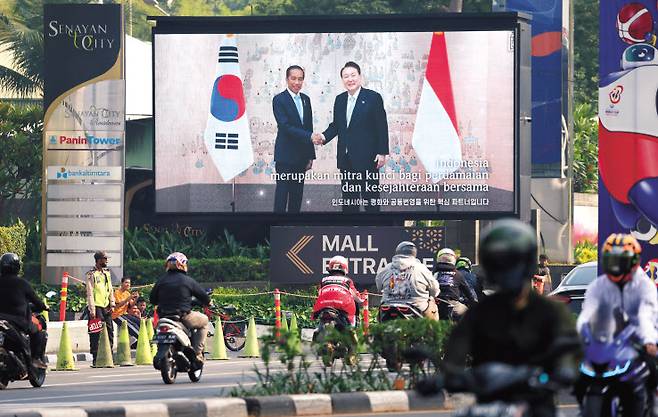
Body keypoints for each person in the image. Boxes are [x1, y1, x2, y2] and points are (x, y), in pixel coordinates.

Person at [441, 219, 580, 417]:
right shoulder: (478, 314)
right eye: (499, 261)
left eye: (513, 261)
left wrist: (563, 370)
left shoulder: (550, 312)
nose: (506, 269)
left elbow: (571, 351)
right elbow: (454, 355)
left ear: (527, 263)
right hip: (488, 406)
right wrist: (444, 377)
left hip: (536, 405)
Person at [576, 233, 658, 417]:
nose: (615, 266)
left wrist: (649, 341)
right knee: (581, 375)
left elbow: (646, 316)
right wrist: (579, 334)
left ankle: (652, 404)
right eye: (612, 260)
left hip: (639, 338)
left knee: (650, 367)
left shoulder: (645, 286)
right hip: (608, 339)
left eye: (621, 261)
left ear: (634, 261)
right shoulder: (598, 286)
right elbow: (587, 313)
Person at [314, 61, 389, 213]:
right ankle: (350, 230)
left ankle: (375, 232)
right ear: (342, 80)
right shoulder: (340, 99)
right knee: (349, 200)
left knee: (371, 200)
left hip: (368, 159)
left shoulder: (373, 98)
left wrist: (382, 153)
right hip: (346, 159)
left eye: (353, 75)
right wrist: (323, 136)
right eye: (346, 76)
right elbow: (337, 125)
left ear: (360, 77)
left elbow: (381, 126)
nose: (350, 79)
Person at [150, 252, 211, 362]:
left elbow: (152, 300)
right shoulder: (187, 280)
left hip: (164, 317)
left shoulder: (161, 280)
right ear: (182, 264)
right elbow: (204, 297)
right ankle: (197, 353)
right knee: (205, 321)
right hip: (183, 317)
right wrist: (208, 302)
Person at [272, 65, 316, 213]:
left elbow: (308, 127)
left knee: (297, 196)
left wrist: (310, 156)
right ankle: (278, 228)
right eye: (293, 78)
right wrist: (309, 136)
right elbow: (285, 126)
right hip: (285, 157)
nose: (297, 82)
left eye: (300, 79)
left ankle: (294, 229)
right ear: (287, 79)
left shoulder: (306, 100)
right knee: (282, 196)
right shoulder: (279, 99)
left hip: (301, 157)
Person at [0, 253, 48, 369]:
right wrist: (44, 306)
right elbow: (36, 301)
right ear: (17, 267)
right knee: (39, 329)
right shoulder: (22, 283)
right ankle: (35, 358)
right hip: (18, 321)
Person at [375, 241, 439, 320]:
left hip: (388, 308)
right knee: (433, 306)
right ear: (414, 253)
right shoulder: (422, 269)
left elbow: (378, 286)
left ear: (397, 252)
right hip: (417, 308)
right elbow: (435, 290)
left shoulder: (386, 269)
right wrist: (431, 296)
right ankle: (431, 332)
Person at [312, 255, 363, 327]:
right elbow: (357, 298)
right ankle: (352, 333)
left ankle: (316, 332)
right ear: (345, 268)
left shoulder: (323, 280)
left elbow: (319, 294)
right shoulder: (347, 281)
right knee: (351, 324)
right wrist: (362, 299)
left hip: (324, 307)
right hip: (343, 308)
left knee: (319, 322)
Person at [85, 250, 116, 366]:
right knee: (95, 333)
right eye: (104, 259)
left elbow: (110, 289)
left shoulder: (107, 273)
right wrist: (92, 310)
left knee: (109, 331)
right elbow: (90, 293)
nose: (106, 261)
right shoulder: (91, 274)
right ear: (98, 260)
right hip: (96, 307)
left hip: (106, 306)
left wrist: (112, 303)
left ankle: (109, 356)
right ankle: (95, 357)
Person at [433, 248, 477, 320]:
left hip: (437, 304)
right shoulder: (457, 274)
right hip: (453, 304)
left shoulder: (435, 274)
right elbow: (468, 292)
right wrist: (474, 302)